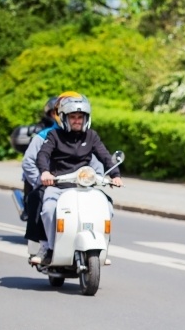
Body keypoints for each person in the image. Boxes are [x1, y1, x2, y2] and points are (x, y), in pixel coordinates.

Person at [33, 94, 123, 265]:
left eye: (80, 117)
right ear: (65, 118)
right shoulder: (54, 135)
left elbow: (105, 156)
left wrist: (115, 175)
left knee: (108, 207)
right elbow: (43, 155)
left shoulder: (91, 136)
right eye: (72, 117)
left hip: (84, 186)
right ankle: (49, 248)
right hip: (58, 185)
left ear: (86, 118)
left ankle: (101, 247)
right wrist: (45, 173)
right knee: (49, 209)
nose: (76, 121)